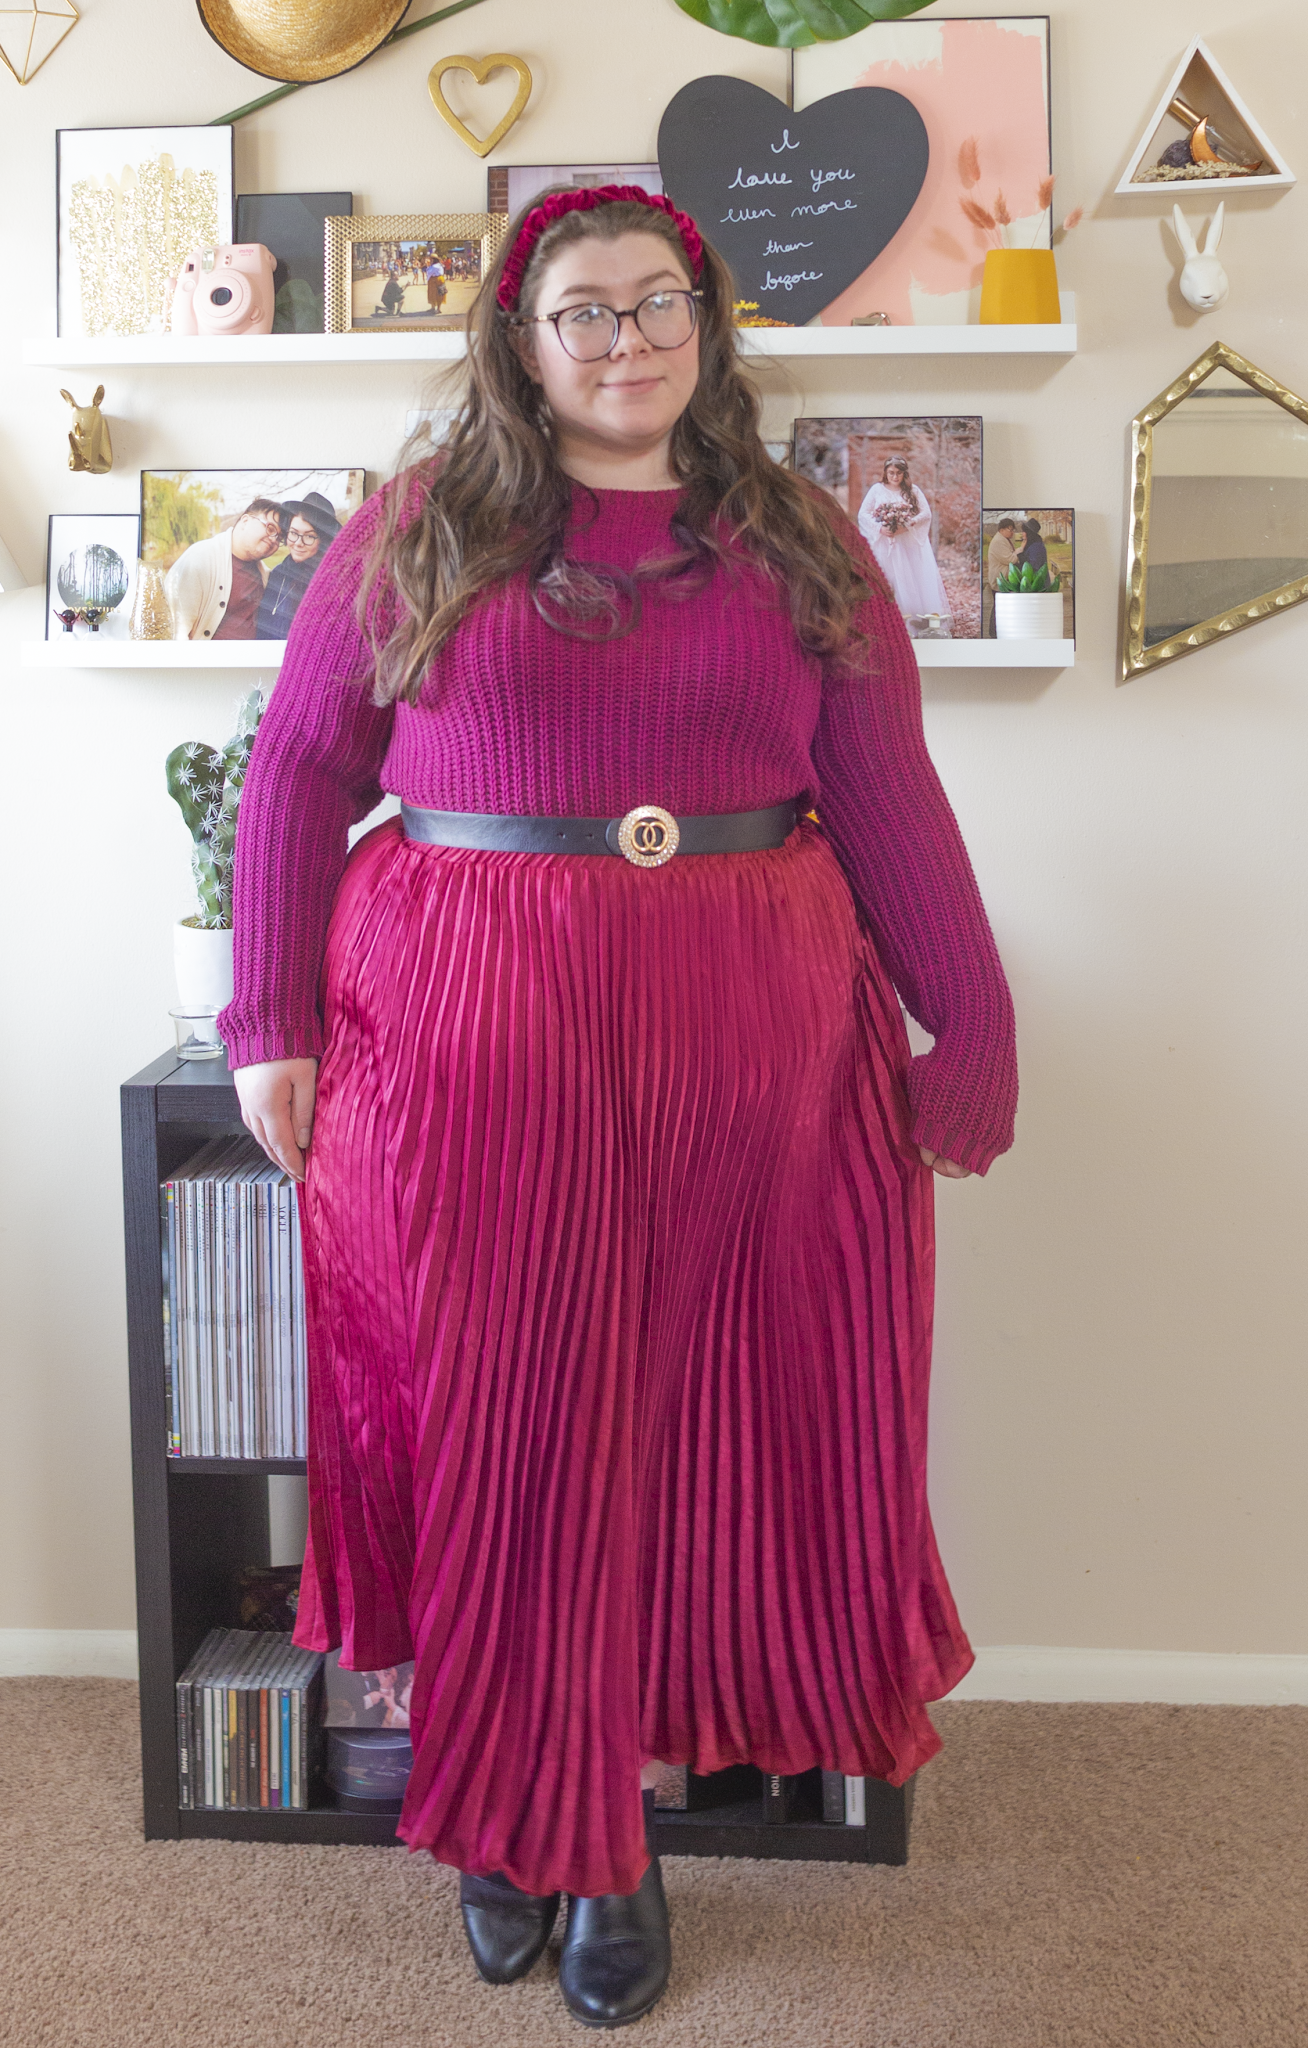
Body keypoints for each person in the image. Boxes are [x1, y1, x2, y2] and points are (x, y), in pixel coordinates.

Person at [222, 185, 1016, 2029]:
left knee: (679, 1440)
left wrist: (962, 1018)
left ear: (704, 327)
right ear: (518, 338)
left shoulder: (798, 534)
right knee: (505, 1431)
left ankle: (582, 1820)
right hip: (468, 1036)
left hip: (746, 1045)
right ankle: (553, 1825)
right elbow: (297, 764)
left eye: (658, 304)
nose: (625, 339)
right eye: (580, 310)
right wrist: (262, 1008)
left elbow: (884, 792)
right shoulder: (416, 527)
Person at [857, 455, 952, 633]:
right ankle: (883, 622)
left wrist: (907, 525)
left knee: (907, 580)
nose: (895, 477)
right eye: (891, 473)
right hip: (884, 543)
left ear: (904, 474)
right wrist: (879, 528)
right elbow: (863, 514)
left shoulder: (912, 490)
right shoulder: (877, 489)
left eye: (899, 473)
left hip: (906, 543)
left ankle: (911, 622)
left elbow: (925, 514)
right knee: (887, 578)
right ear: (885, 473)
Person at [163, 498, 282, 640]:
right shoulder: (200, 558)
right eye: (270, 528)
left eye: (280, 538)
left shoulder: (267, 576)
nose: (274, 539)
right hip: (207, 661)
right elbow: (176, 629)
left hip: (254, 661)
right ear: (245, 521)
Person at [256, 493, 343, 640]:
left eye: (309, 536)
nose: (298, 543)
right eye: (294, 533)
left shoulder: (333, 580)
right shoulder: (278, 573)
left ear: (323, 540)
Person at [985, 514, 1020, 587]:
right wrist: (1019, 550)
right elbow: (1011, 560)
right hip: (999, 582)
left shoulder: (1004, 539)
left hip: (1004, 580)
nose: (1012, 532)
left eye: (1013, 530)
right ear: (1001, 530)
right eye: (1010, 530)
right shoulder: (998, 541)